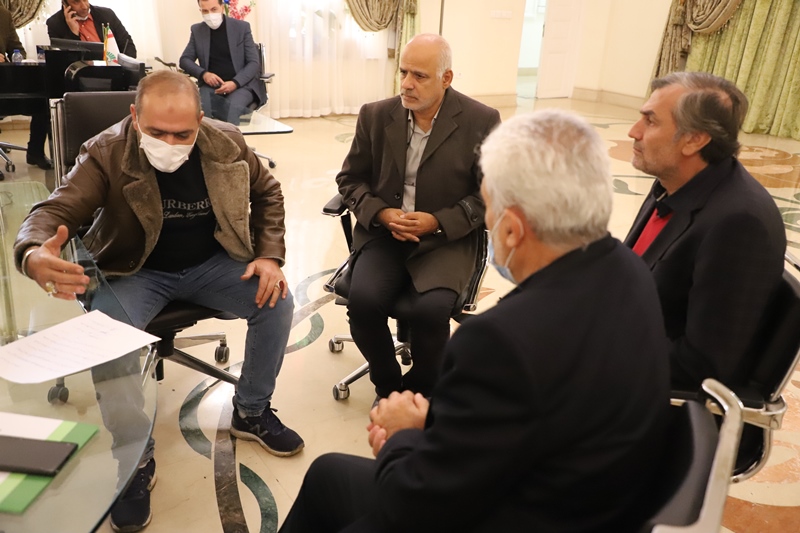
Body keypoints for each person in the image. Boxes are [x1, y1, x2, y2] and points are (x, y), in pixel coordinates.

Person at [279, 110, 671, 533]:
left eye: (490, 211)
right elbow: (532, 413)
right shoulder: (630, 270)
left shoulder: (497, 341)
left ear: (512, 230)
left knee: (332, 480)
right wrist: (439, 422)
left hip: (512, 514)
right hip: (587, 497)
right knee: (327, 474)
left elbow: (413, 504)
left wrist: (401, 435)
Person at [14, 70, 302, 532]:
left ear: (200, 121)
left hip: (210, 262)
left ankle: (251, 411)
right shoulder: (106, 151)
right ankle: (135, 459)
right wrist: (33, 253)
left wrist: (269, 255)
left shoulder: (225, 142)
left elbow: (267, 192)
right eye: (157, 132)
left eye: (182, 134)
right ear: (134, 116)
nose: (170, 143)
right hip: (134, 270)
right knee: (110, 341)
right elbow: (53, 210)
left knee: (276, 302)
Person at [336, 33, 501, 400]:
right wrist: (381, 213)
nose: (407, 84)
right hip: (384, 234)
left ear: (446, 78)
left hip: (446, 238)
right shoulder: (376, 115)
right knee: (363, 304)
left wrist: (438, 221)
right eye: (404, 72)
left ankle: (420, 390)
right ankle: (388, 386)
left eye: (420, 76)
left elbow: (490, 193)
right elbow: (350, 179)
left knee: (431, 311)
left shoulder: (481, 120)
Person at [624, 71, 786, 391]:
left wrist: (594, 347)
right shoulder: (674, 183)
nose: (634, 131)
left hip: (648, 397)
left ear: (694, 140)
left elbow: (701, 366)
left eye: (650, 121)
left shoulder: (738, 224)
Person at [179, 0, 267, 125]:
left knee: (231, 111)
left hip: (241, 86)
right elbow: (185, 60)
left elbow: (253, 63)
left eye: (213, 9)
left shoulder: (241, 28)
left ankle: (231, 138)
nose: (210, 14)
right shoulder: (197, 30)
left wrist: (235, 83)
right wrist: (204, 74)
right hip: (210, 87)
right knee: (202, 115)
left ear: (222, 7)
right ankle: (208, 138)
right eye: (205, 11)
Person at [0, 5, 51, 170]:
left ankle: (35, 152)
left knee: (42, 98)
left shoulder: (3, 15)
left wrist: (16, 58)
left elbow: (18, 50)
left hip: (2, 81)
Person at [46, 0, 136, 57]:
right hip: (82, 77)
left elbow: (129, 47)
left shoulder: (107, 14)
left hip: (115, 72)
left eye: (85, 0)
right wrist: (73, 34)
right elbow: (66, 61)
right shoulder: (55, 24)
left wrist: (122, 67)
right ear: (65, 4)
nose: (84, 6)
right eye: (76, 2)